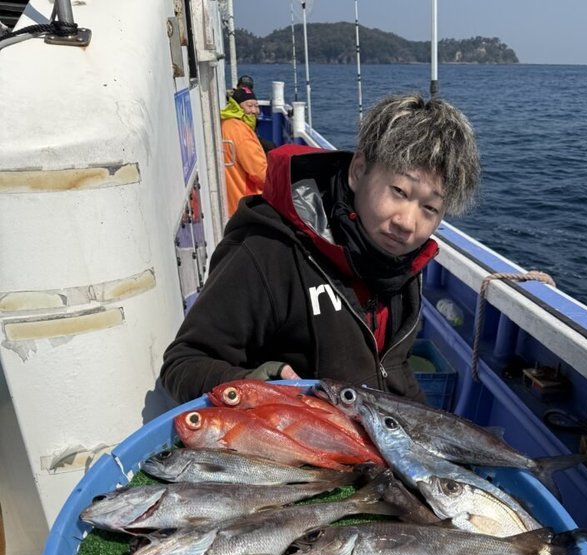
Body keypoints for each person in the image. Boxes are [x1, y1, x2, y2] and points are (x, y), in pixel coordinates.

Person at [161, 93, 480, 403]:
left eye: (430, 209)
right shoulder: (267, 253)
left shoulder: (402, 265)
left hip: (371, 438)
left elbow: (393, 367)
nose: (408, 223)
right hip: (290, 443)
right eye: (398, 191)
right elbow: (184, 362)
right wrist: (258, 387)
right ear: (358, 172)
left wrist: (427, 428)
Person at [220, 84, 267, 217]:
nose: (255, 111)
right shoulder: (241, 132)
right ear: (238, 107)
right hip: (246, 202)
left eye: (256, 106)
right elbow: (260, 173)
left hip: (231, 201)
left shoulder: (226, 123)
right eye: (249, 106)